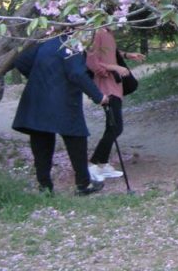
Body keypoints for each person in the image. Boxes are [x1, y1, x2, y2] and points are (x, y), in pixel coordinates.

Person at [11, 31, 111, 195]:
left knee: (41, 143)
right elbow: (77, 74)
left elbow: (21, 61)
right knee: (76, 138)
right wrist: (99, 96)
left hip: (37, 100)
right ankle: (83, 184)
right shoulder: (72, 45)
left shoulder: (46, 41)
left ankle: (44, 187)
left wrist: (42, 79)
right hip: (64, 101)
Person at [86, 26, 145, 182]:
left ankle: (103, 164)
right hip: (106, 87)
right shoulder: (97, 32)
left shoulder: (107, 33)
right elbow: (91, 60)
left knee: (111, 126)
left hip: (114, 85)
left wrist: (127, 55)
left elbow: (110, 53)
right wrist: (113, 68)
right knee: (116, 127)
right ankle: (92, 164)